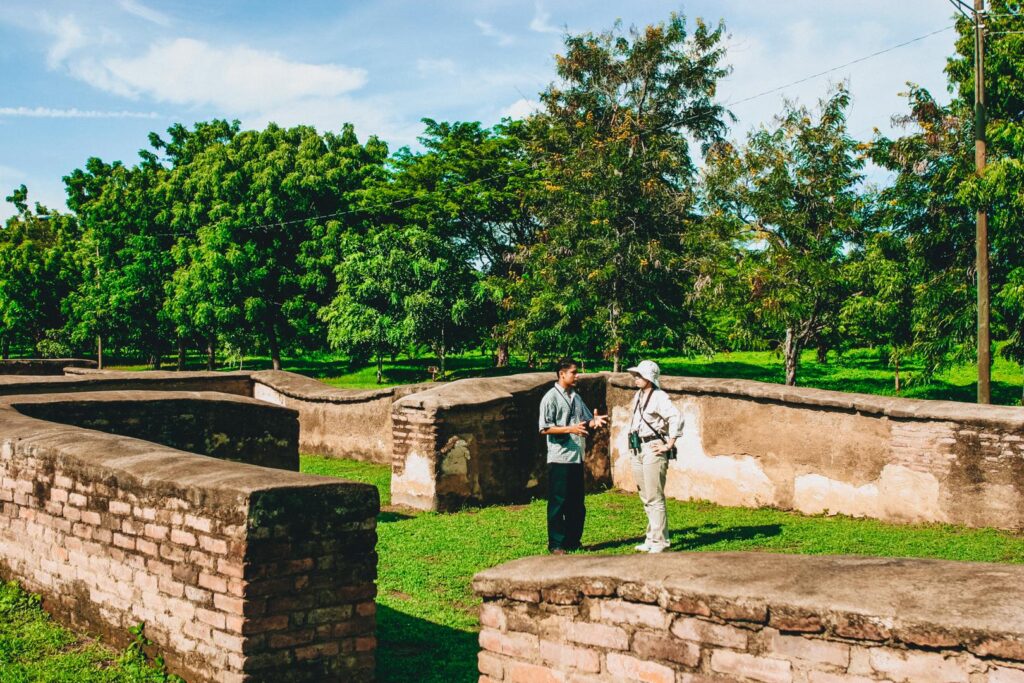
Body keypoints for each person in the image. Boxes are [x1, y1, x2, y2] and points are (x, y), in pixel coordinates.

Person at [538, 357, 607, 554]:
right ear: (562, 374)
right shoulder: (550, 398)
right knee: (558, 502)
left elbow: (586, 421)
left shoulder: (576, 397)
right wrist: (570, 429)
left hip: (577, 456)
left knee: (577, 502)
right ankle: (556, 544)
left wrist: (595, 421)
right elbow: (544, 428)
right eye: (573, 372)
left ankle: (573, 540)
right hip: (560, 457)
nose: (577, 376)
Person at [626, 360, 682, 553]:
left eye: (639, 376)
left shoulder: (660, 397)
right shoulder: (639, 395)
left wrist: (669, 444)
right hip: (637, 447)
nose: (636, 379)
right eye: (636, 375)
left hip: (652, 446)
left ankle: (660, 542)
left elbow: (676, 417)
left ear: (649, 378)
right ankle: (652, 537)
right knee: (645, 496)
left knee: (655, 496)